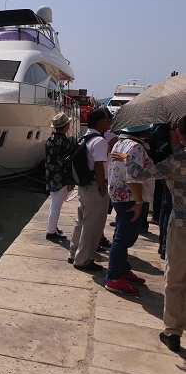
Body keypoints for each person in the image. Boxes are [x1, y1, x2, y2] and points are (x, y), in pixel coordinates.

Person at [111, 116, 186, 353]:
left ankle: (172, 332)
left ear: (179, 133)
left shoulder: (176, 161)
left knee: (175, 279)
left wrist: (126, 159)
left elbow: (143, 174)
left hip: (181, 223)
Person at [104, 124, 154, 295]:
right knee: (123, 239)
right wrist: (139, 203)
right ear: (144, 131)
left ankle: (123, 269)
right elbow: (134, 177)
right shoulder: (136, 147)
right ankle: (114, 278)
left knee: (121, 234)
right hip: (131, 198)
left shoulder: (119, 143)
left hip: (119, 195)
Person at [68, 107, 112, 271]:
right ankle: (83, 260)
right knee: (92, 225)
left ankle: (73, 253)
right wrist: (102, 187)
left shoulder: (85, 137)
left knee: (81, 221)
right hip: (95, 186)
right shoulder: (100, 141)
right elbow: (99, 166)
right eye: (108, 121)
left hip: (84, 185)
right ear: (100, 122)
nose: (109, 123)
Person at [44, 112, 74, 240]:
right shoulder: (65, 141)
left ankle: (52, 226)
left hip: (50, 176)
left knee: (54, 203)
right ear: (66, 125)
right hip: (61, 178)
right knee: (56, 205)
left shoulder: (49, 140)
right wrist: (71, 181)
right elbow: (69, 163)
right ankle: (51, 232)